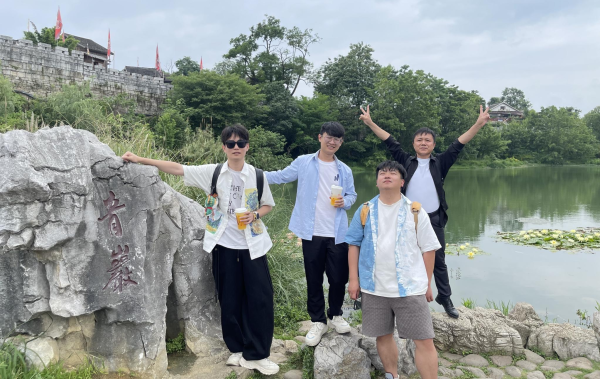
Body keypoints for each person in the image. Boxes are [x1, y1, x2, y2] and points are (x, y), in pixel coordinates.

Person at [122, 124, 279, 376]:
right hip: (223, 246)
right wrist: (140, 159)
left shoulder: (257, 176)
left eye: (240, 143)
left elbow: (268, 205)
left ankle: (258, 355)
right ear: (224, 147)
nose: (236, 147)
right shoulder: (213, 173)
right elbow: (177, 168)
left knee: (260, 299)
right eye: (231, 143)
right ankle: (237, 349)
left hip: (254, 246)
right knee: (229, 299)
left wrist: (255, 215)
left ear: (247, 146)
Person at [359, 105, 490, 318]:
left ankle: (445, 297)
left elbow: (459, 143)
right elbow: (389, 141)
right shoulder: (405, 161)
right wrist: (370, 123)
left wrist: (478, 124)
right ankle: (401, 297)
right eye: (419, 140)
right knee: (403, 256)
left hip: (434, 218)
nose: (423, 143)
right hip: (408, 218)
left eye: (427, 140)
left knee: (439, 260)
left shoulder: (441, 162)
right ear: (413, 144)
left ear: (433, 145)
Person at [265, 122, 357, 346]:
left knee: (338, 278)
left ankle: (335, 315)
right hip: (311, 231)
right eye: (329, 137)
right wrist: (249, 174)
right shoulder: (304, 162)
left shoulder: (344, 170)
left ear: (341, 142)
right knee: (313, 278)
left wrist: (345, 202)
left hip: (338, 233)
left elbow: (352, 195)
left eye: (337, 139)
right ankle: (318, 321)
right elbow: (281, 176)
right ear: (320, 137)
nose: (332, 142)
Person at [346, 161, 441, 379]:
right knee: (382, 336)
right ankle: (392, 376)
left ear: (402, 182)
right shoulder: (365, 210)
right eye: (382, 173)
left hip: (409, 287)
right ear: (377, 181)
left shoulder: (415, 211)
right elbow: (353, 244)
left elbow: (429, 249)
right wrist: (354, 279)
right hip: (374, 287)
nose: (387, 175)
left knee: (424, 340)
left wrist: (427, 284)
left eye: (393, 173)